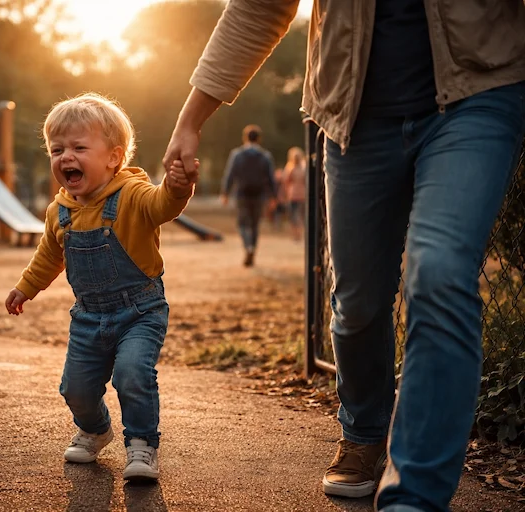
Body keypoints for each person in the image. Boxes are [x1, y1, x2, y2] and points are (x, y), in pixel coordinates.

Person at [162, 1, 525, 511]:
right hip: (355, 113)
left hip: (478, 93)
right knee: (356, 303)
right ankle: (365, 430)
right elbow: (260, 7)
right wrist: (191, 118)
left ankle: (414, 496)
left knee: (439, 273)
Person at [4, 93, 197, 481]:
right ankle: (95, 429)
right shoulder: (58, 211)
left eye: (78, 147)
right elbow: (48, 256)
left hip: (140, 311)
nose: (65, 157)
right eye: (57, 149)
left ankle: (142, 444)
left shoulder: (132, 195)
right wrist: (25, 287)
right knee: (75, 388)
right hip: (89, 317)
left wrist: (177, 188)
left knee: (132, 375)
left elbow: (163, 205)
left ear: (113, 157)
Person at [219, 124, 276, 267]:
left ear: (245, 138)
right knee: (255, 224)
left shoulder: (237, 155)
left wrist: (225, 192)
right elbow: (270, 177)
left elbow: (230, 174)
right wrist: (273, 196)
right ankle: (253, 249)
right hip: (259, 194)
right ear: (259, 139)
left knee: (243, 223)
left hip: (242, 194)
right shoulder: (265, 156)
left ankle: (248, 247)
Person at [283, 147, 306, 242]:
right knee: (299, 215)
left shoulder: (290, 167)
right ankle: (298, 234)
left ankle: (296, 234)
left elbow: (286, 181)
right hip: (301, 194)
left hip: (293, 194)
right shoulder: (304, 167)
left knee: (294, 215)